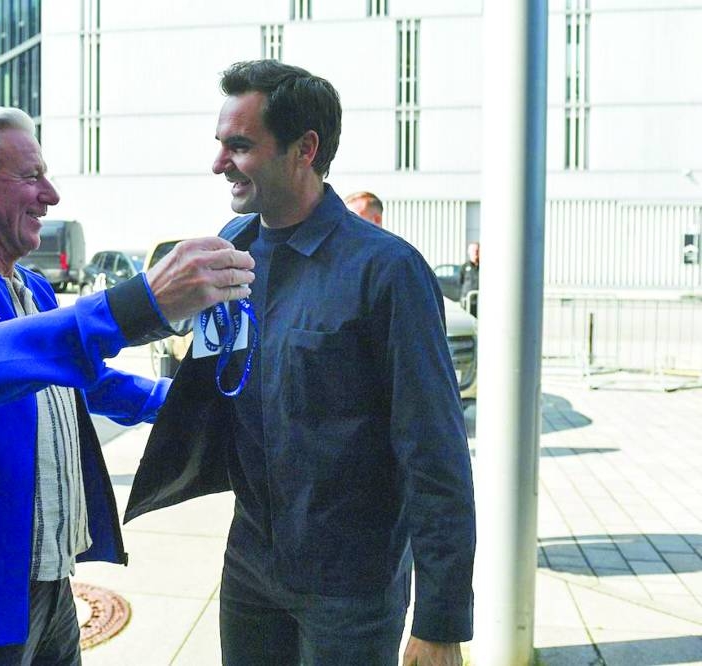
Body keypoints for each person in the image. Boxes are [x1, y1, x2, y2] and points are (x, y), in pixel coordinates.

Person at [0, 104, 254, 663]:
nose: (51, 195)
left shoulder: (27, 284)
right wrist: (132, 304)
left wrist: (191, 404)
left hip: (51, 580)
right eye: (30, 176)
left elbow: (91, 383)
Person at [125, 60, 475, 666]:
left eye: (239, 146)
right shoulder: (231, 249)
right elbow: (214, 387)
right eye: (219, 144)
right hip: (250, 571)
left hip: (351, 591)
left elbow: (433, 449)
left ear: (304, 149)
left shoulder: (386, 271)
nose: (218, 164)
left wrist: (440, 620)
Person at [459, 241, 480, 316]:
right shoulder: (464, 267)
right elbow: (460, 282)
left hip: (481, 303)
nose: (475, 253)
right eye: (473, 251)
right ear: (469, 252)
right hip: (468, 302)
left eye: (477, 251)